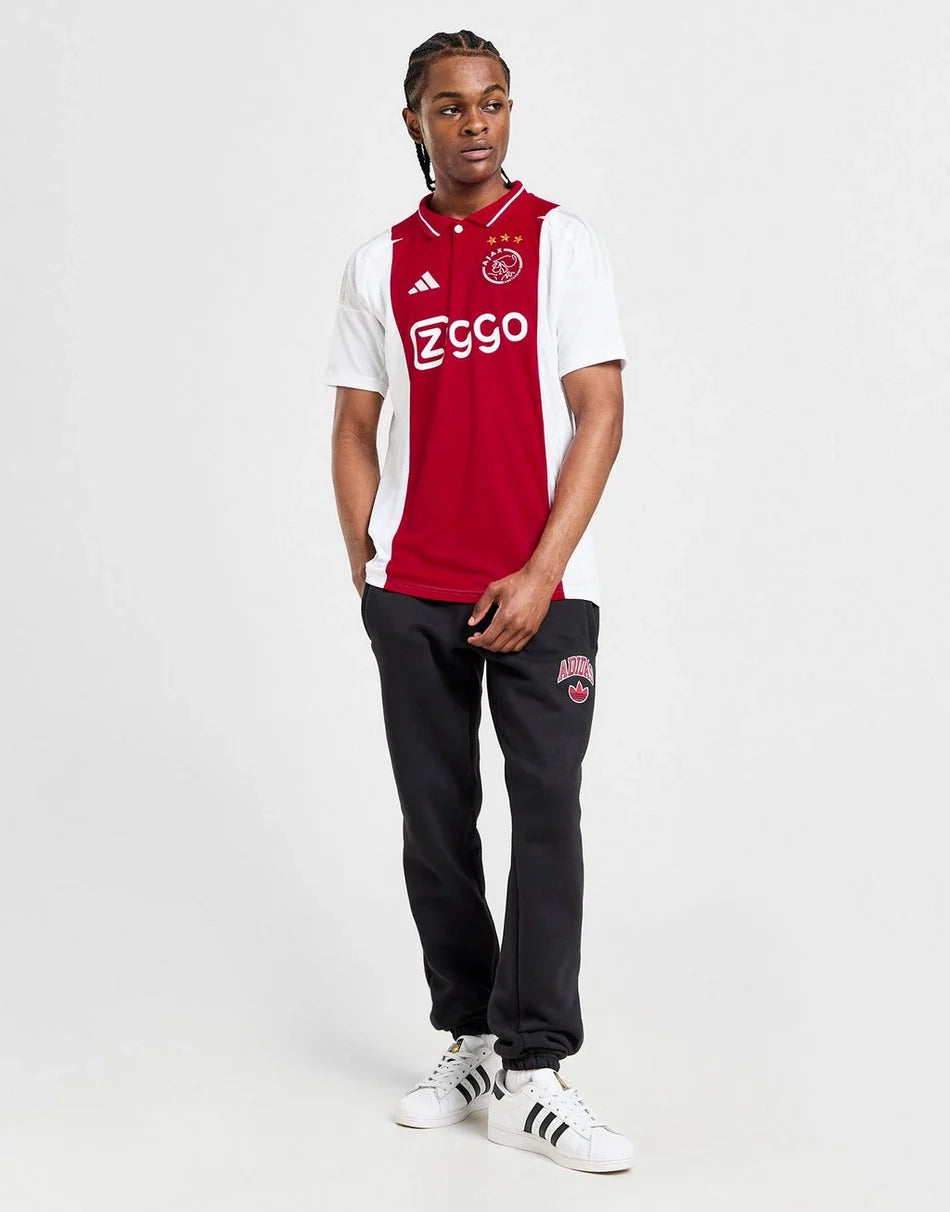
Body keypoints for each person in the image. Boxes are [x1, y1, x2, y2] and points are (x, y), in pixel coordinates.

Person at [325, 30, 634, 1174]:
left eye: (492, 102)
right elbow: (353, 423)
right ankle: (468, 1038)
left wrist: (540, 570)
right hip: (414, 589)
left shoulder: (559, 244)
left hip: (540, 589)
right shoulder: (377, 265)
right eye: (450, 106)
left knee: (546, 811)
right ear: (413, 120)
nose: (475, 125)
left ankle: (533, 1072)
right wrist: (364, 559)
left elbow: (599, 412)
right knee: (435, 818)